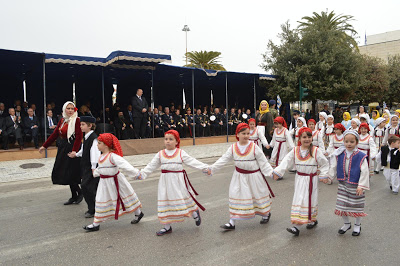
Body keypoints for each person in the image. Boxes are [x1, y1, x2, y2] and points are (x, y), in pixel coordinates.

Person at [138, 130, 209, 236]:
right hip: (165, 182)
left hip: (178, 181)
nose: (168, 141)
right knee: (165, 201)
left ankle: (195, 214)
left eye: (171, 139)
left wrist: (205, 168)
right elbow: (151, 166)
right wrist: (142, 174)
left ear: (176, 141)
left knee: (185, 199)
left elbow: (192, 161)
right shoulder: (160, 154)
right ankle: (167, 227)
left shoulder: (180, 152)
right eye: (166, 139)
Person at [209, 123, 275, 230]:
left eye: (248, 133)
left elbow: (263, 162)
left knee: (257, 196)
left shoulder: (254, 147)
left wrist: (271, 173)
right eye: (243, 133)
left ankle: (266, 214)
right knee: (236, 195)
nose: (246, 136)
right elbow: (223, 159)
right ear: (237, 134)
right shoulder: (233, 147)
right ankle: (232, 221)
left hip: (254, 177)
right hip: (239, 177)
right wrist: (212, 168)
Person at [273, 127, 329, 236]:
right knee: (299, 200)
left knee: (309, 200)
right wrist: (278, 172)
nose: (307, 139)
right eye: (304, 137)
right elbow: (286, 161)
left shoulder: (315, 151)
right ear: (299, 138)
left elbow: (325, 163)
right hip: (299, 179)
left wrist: (324, 175)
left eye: (309, 137)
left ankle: (307, 221)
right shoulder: (295, 150)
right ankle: (299, 224)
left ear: (312, 138)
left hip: (311, 180)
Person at [83, 133, 144, 232]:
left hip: (117, 182)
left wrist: (137, 173)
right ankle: (96, 223)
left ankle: (138, 213)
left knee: (126, 197)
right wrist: (96, 172)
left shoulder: (113, 156)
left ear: (106, 145)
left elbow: (125, 165)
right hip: (104, 183)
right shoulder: (101, 156)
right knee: (100, 200)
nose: (97, 145)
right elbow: (102, 168)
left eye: (99, 143)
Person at [39, 101, 83, 205]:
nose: (71, 111)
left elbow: (78, 137)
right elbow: (55, 134)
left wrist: (74, 151)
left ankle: (80, 192)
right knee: (65, 173)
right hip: (63, 148)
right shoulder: (63, 120)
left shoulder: (76, 120)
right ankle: (74, 196)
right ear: (64, 109)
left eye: (72, 108)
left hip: (72, 148)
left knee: (71, 173)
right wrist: (44, 146)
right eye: (68, 108)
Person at [329, 131, 369, 236]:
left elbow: (365, 172)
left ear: (356, 142)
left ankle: (357, 225)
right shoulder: (339, 153)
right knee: (342, 205)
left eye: (352, 141)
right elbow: (333, 166)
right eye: (346, 141)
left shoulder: (361, 156)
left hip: (356, 185)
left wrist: (361, 186)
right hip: (343, 183)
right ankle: (346, 224)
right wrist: (329, 177)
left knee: (357, 206)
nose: (349, 144)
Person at [68, 116, 101, 218]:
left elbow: (95, 154)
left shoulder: (94, 138)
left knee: (87, 187)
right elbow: (83, 149)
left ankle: (94, 209)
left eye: (83, 125)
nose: (81, 126)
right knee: (89, 187)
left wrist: (93, 167)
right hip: (86, 166)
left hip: (91, 167)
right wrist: (76, 154)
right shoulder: (86, 137)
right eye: (80, 124)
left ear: (90, 126)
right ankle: (94, 208)